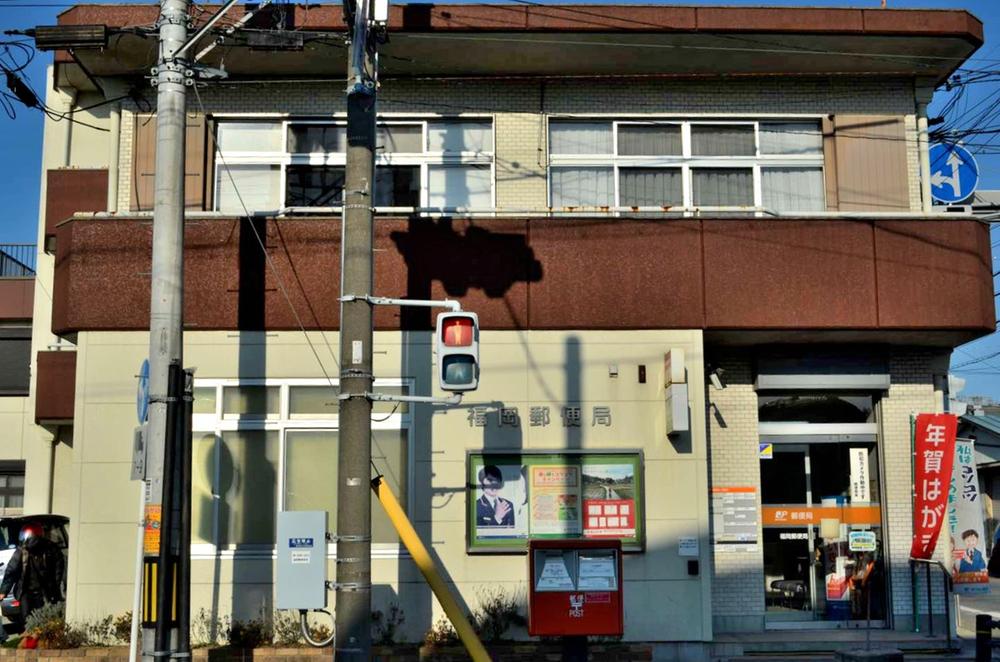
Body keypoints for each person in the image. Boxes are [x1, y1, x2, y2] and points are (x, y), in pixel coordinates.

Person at [0, 523, 65, 623]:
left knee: (45, 619)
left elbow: (58, 571)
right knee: (28, 620)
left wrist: (54, 588)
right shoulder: (22, 551)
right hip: (26, 591)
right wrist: (4, 591)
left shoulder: (51, 550)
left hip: (44, 591)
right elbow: (11, 571)